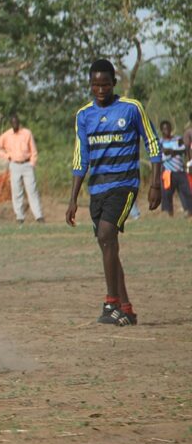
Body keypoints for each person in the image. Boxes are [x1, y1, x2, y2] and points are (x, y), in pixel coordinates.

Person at [66, 59, 162, 327]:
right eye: (95, 84)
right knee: (108, 247)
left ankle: (111, 303)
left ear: (113, 84)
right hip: (96, 188)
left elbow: (153, 144)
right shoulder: (83, 115)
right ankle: (127, 309)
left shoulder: (131, 108)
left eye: (105, 84)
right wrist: (73, 199)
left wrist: (156, 184)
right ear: (89, 84)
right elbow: (80, 158)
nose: (100, 89)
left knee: (108, 234)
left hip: (124, 184)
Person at [0, 113, 45, 224]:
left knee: (32, 190)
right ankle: (19, 217)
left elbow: (34, 150)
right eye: (13, 123)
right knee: (17, 191)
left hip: (27, 165)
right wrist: (7, 156)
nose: (15, 124)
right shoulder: (6, 135)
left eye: (16, 122)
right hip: (14, 164)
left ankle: (38, 216)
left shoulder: (27, 133)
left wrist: (32, 163)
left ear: (19, 123)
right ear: (11, 124)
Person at [159, 120, 191, 217]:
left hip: (180, 170)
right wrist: (173, 151)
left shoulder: (178, 139)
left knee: (186, 192)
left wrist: (172, 151)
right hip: (168, 172)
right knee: (167, 194)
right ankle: (168, 213)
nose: (167, 130)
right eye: (164, 129)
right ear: (161, 130)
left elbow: (184, 149)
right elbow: (162, 154)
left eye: (168, 128)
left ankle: (189, 211)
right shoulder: (160, 142)